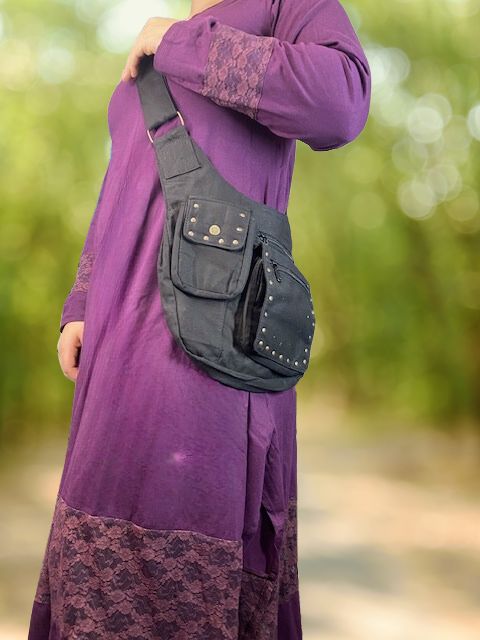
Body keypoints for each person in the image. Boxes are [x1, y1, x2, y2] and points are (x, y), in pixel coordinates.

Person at [28, 0, 371, 637]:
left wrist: (177, 41)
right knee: (94, 572)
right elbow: (123, 185)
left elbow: (340, 101)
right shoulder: (149, 57)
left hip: (212, 347)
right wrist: (81, 301)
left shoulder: (283, 7)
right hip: (116, 352)